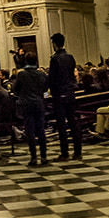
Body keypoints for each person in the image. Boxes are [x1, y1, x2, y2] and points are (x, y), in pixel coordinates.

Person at [48, 33, 81, 161]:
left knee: (61, 124)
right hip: (70, 93)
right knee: (73, 123)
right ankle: (77, 152)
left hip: (59, 94)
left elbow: (52, 78)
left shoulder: (55, 59)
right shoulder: (70, 57)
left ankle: (65, 152)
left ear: (54, 44)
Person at [12, 53, 48, 165]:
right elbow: (45, 88)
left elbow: (16, 89)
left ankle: (33, 157)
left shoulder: (21, 75)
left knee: (30, 130)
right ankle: (43, 156)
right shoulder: (41, 74)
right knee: (41, 129)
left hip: (26, 104)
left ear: (26, 62)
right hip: (38, 103)